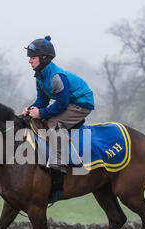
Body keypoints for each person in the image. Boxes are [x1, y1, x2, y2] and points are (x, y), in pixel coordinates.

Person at [22, 35, 95, 172]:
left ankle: (60, 161)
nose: (29, 61)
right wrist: (32, 109)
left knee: (53, 123)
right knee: (38, 119)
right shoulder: (40, 76)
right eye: (29, 58)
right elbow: (42, 101)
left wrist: (41, 112)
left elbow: (62, 104)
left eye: (33, 58)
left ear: (44, 58)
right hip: (69, 102)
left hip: (82, 103)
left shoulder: (56, 77)